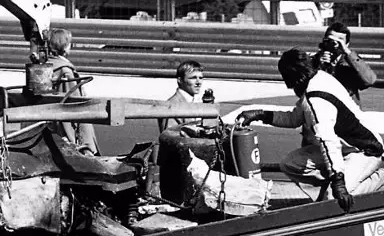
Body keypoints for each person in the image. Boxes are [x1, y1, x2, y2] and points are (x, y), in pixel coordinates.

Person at [236, 48, 384, 213]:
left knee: (335, 198)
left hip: (366, 150)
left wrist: (338, 181)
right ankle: (332, 190)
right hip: (346, 148)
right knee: (291, 164)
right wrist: (261, 114)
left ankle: (378, 179)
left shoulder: (316, 98)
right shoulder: (318, 79)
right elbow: (293, 118)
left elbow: (328, 141)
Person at [49, 28, 99, 155]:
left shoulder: (48, 66)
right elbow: (76, 102)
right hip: (67, 123)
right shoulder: (66, 71)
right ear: (65, 47)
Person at [313, 22, 376, 104]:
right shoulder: (315, 60)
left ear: (347, 44)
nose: (335, 44)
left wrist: (348, 53)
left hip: (348, 111)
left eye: (339, 40)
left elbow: (369, 80)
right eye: (331, 40)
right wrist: (318, 66)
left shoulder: (352, 63)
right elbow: (301, 89)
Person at [159, 60, 207, 132]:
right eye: (193, 78)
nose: (198, 82)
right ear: (180, 80)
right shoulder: (171, 106)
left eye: (200, 78)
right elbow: (170, 138)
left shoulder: (200, 102)